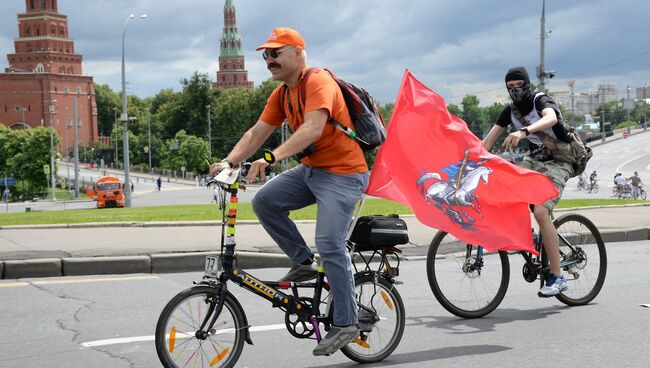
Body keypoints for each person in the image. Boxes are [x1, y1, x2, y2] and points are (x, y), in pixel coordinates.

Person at [210, 27, 368, 356]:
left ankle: (347, 321)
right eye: (265, 55)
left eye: (275, 53)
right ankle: (303, 261)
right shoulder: (282, 93)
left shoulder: (318, 81)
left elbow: (312, 128)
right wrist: (227, 162)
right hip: (312, 171)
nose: (269, 60)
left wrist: (271, 157)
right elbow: (256, 133)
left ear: (298, 53)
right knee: (266, 201)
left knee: (329, 242)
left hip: (344, 174)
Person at [482, 66, 573, 297]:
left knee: (541, 212)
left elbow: (551, 119)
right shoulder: (509, 111)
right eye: (510, 87)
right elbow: (486, 144)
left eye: (519, 85)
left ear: (527, 84)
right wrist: (463, 161)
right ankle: (524, 236)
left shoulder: (540, 100)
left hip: (560, 160)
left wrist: (523, 131)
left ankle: (557, 276)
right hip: (535, 159)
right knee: (502, 188)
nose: (515, 90)